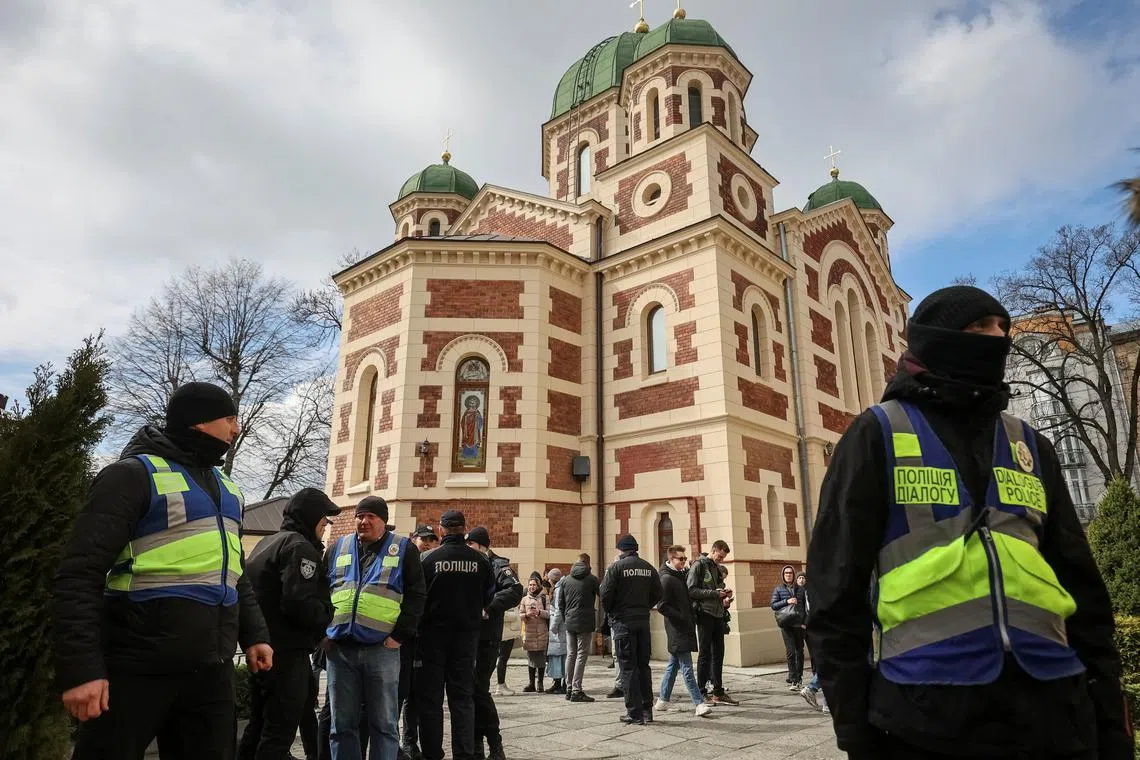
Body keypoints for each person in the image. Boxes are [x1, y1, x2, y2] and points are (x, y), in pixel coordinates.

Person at [806, 285, 1135, 760]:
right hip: (926, 713)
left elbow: (1082, 588)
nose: (997, 337)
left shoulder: (1030, 446)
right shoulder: (877, 434)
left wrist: (1110, 720)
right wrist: (855, 728)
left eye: (1003, 327)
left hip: (1054, 705)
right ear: (937, 338)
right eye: (980, 327)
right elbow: (835, 592)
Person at [53, 382, 273, 760]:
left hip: (211, 668)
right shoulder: (130, 475)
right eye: (230, 418)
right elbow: (79, 575)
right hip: (137, 666)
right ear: (200, 422)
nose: (237, 429)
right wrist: (82, 670)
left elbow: (234, 573)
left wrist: (256, 635)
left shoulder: (227, 487)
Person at [239, 488, 339, 760]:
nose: (325, 526)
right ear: (311, 517)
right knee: (278, 734)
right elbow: (299, 603)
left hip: (263, 648)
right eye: (324, 519)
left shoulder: (268, 543)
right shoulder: (299, 547)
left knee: (258, 725)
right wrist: (327, 613)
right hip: (287, 653)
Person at [325, 496, 426, 760]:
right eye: (360, 516)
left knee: (384, 725)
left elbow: (417, 595)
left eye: (371, 516)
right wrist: (322, 632)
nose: (364, 521)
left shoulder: (403, 548)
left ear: (384, 521)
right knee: (341, 725)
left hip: (382, 648)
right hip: (341, 649)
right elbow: (321, 591)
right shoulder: (338, 547)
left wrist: (400, 635)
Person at [418, 510, 494, 760]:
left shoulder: (428, 559)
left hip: (433, 637)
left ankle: (432, 753)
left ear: (441, 530)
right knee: (462, 698)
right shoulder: (481, 561)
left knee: (431, 699)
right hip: (466, 638)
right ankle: (464, 753)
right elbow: (488, 598)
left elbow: (419, 597)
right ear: (464, 529)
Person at [465, 525, 524, 760]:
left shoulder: (498, 565)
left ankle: (494, 743)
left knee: (478, 690)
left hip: (487, 638)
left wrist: (489, 606)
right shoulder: (470, 564)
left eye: (471, 544)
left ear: (482, 545)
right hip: (468, 637)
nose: (467, 548)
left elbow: (514, 589)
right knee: (471, 692)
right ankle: (478, 745)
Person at [599, 534, 663, 725]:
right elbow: (658, 593)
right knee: (643, 666)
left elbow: (605, 596)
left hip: (623, 623)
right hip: (643, 621)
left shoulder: (616, 568)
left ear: (621, 550)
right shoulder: (648, 568)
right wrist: (643, 607)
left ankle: (634, 713)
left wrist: (614, 611)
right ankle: (646, 711)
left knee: (628, 667)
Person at [654, 545, 713, 718]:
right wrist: (681, 616)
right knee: (687, 667)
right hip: (676, 629)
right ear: (671, 559)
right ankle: (699, 703)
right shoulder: (666, 578)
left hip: (684, 626)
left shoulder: (679, 576)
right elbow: (662, 606)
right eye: (681, 559)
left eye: (685, 559)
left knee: (673, 665)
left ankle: (663, 700)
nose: (684, 561)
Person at [399, 524, 438, 760]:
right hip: (403, 637)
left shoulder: (430, 565)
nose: (427, 543)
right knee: (400, 693)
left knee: (416, 695)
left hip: (423, 639)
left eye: (432, 540)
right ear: (413, 538)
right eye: (423, 539)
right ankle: (400, 742)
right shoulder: (405, 562)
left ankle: (410, 742)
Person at [687, 540, 737, 705]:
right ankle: (701, 692)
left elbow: (719, 587)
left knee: (719, 654)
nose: (721, 560)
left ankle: (718, 691)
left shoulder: (716, 568)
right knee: (705, 654)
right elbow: (691, 590)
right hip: (704, 614)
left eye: (723, 557)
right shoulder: (699, 565)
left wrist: (725, 596)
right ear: (714, 551)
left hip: (717, 614)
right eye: (720, 556)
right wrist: (715, 594)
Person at [558, 553, 600, 702]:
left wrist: (566, 618)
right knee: (581, 655)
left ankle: (568, 688)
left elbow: (560, 604)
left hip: (569, 621)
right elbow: (603, 595)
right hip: (585, 622)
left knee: (571, 654)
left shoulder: (565, 580)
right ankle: (576, 689)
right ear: (588, 564)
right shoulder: (592, 579)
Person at [772, 565, 807, 690]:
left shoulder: (801, 590)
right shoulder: (778, 589)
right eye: (786, 573)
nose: (788, 575)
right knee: (790, 652)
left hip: (798, 624)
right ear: (783, 575)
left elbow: (805, 607)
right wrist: (787, 601)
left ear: (793, 575)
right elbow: (773, 605)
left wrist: (804, 622)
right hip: (786, 624)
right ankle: (793, 679)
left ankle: (799, 678)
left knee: (799, 652)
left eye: (790, 573)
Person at [518, 573, 550, 692]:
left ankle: (540, 683)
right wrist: (526, 614)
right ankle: (531, 683)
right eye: (530, 585)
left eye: (534, 585)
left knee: (541, 659)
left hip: (542, 632)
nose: (532, 587)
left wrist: (539, 612)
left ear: (538, 585)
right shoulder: (524, 599)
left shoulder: (544, 597)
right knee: (531, 659)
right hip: (529, 632)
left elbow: (549, 614)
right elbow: (519, 615)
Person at [545, 568, 567, 695]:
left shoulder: (559, 589)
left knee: (559, 656)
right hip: (559, 627)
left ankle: (559, 684)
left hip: (558, 628)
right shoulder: (560, 587)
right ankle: (559, 683)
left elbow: (558, 610)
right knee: (560, 655)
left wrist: (553, 626)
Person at [495, 602, 520, 697]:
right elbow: (503, 615)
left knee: (504, 659)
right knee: (502, 659)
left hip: (510, 633)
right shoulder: (503, 599)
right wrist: (515, 614)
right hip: (505, 634)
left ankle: (502, 684)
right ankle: (500, 686)